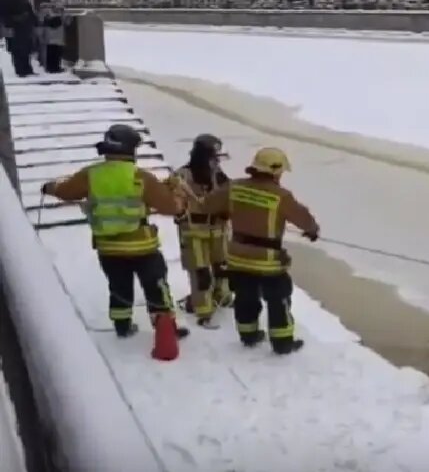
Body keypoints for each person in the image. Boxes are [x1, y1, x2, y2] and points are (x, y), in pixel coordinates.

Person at [41, 124, 189, 361]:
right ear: (131, 149)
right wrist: (178, 195)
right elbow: (171, 207)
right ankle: (165, 329)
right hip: (142, 246)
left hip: (108, 247)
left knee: (119, 286)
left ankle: (122, 325)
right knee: (156, 285)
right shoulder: (140, 177)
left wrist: (50, 187)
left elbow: (66, 191)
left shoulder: (91, 174)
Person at [202, 147, 319, 355]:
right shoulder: (281, 196)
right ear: (274, 171)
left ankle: (248, 335)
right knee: (278, 298)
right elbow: (303, 218)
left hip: (237, 257)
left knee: (245, 296)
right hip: (268, 261)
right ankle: (282, 343)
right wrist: (312, 230)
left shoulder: (234, 187)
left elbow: (208, 204)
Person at [168, 134, 233, 329]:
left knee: (223, 267)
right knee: (201, 272)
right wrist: (180, 211)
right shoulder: (182, 177)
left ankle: (223, 297)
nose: (216, 162)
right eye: (213, 158)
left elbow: (231, 195)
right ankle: (203, 311)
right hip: (194, 233)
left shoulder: (219, 176)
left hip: (219, 231)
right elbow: (175, 206)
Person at [40, 3, 67, 73]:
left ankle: (50, 67)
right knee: (56, 53)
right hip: (56, 38)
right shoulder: (59, 16)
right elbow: (64, 22)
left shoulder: (47, 16)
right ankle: (55, 68)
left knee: (51, 53)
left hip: (51, 38)